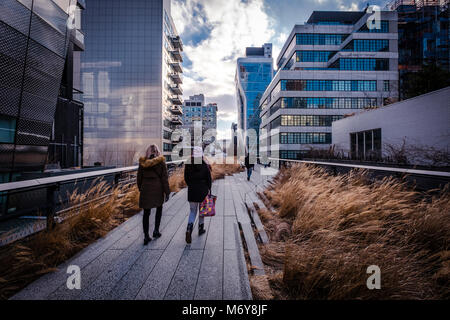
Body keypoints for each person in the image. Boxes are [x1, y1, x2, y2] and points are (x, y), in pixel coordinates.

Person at [137, 144, 170, 245]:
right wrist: (167, 192)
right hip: (158, 188)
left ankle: (146, 236)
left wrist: (141, 189)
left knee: (146, 213)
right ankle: (156, 231)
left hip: (146, 189)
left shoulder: (142, 163)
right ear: (157, 152)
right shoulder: (161, 162)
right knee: (159, 208)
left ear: (147, 152)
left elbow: (139, 178)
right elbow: (164, 178)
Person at [184, 146, 212, 244]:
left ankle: (189, 228)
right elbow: (209, 178)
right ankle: (201, 228)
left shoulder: (188, 164)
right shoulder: (204, 164)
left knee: (192, 211)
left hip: (192, 190)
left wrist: (191, 185)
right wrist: (208, 189)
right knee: (202, 211)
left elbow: (186, 178)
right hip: (203, 191)